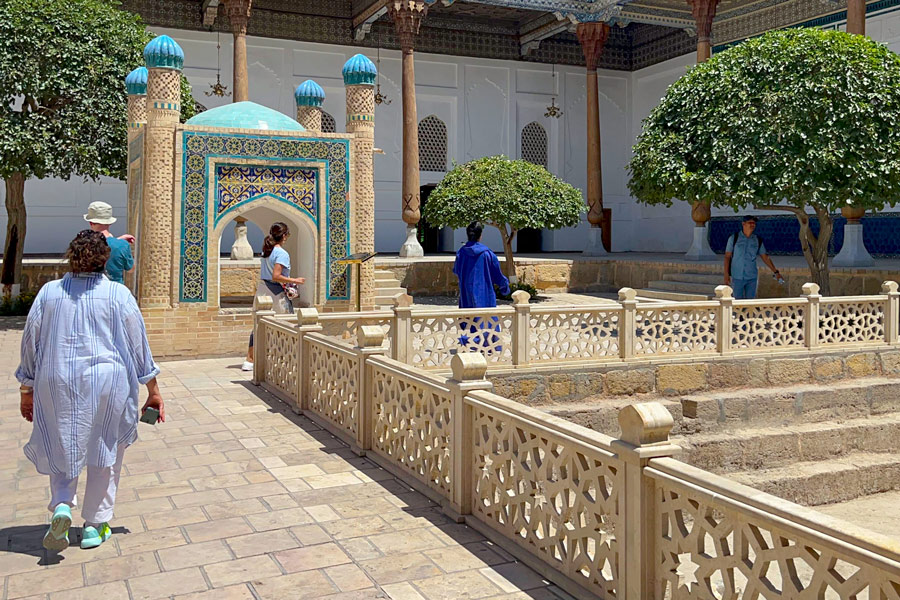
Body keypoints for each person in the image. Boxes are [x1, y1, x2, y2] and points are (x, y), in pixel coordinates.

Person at [16, 230, 163, 552]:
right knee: (104, 451)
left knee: (62, 443)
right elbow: (139, 345)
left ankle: (62, 505)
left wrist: (26, 388)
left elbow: (31, 341)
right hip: (107, 384)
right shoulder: (117, 294)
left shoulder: (50, 293)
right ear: (104, 259)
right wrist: (152, 389)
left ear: (71, 256)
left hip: (56, 382)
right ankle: (95, 525)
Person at [243, 222, 305, 371]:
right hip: (276, 292)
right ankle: (284, 358)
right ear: (284, 236)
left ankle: (250, 360)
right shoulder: (281, 253)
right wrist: (295, 280)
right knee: (285, 324)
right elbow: (276, 276)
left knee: (258, 325)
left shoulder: (267, 251)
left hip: (263, 290)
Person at [453, 222, 511, 354]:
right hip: (484, 293)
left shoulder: (461, 253)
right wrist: (505, 287)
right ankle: (488, 345)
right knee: (486, 318)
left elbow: (456, 270)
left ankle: (469, 344)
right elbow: (497, 274)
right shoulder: (487, 254)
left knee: (468, 318)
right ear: (480, 235)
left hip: (466, 293)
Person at [724, 215, 783, 299]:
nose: (752, 225)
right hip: (737, 276)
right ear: (743, 224)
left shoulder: (757, 240)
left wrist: (776, 272)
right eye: (750, 223)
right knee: (737, 303)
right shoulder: (734, 238)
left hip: (752, 277)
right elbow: (727, 257)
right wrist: (726, 274)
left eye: (754, 223)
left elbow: (765, 257)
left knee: (750, 303)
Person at [84, 201, 134, 284]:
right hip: (115, 292)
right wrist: (119, 243)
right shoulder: (122, 245)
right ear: (110, 222)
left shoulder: (83, 244)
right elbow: (131, 269)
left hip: (89, 291)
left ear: (91, 222)